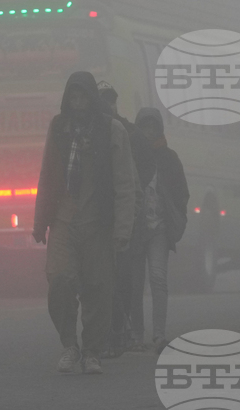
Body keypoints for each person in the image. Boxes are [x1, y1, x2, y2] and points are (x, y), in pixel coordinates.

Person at [33, 72, 137, 375]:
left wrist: (122, 230)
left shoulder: (111, 130)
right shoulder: (59, 128)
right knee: (59, 281)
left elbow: (124, 183)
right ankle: (69, 345)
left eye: (83, 97)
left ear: (91, 99)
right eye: (73, 97)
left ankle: (92, 351)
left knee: (98, 289)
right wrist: (40, 222)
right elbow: (47, 175)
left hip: (98, 222)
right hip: (64, 220)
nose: (78, 103)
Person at [96, 82, 151, 357]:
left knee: (124, 278)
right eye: (104, 100)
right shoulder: (93, 133)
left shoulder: (129, 133)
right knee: (103, 279)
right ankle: (110, 332)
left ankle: (119, 329)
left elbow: (145, 168)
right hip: (101, 217)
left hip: (125, 217)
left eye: (110, 99)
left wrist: (132, 202)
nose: (108, 105)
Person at [130, 107, 190, 354]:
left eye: (152, 127)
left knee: (157, 279)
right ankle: (136, 335)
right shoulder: (130, 157)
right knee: (134, 283)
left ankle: (158, 335)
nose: (148, 132)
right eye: (144, 127)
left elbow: (182, 193)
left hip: (159, 228)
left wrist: (175, 216)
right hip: (135, 228)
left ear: (159, 129)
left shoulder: (169, 158)